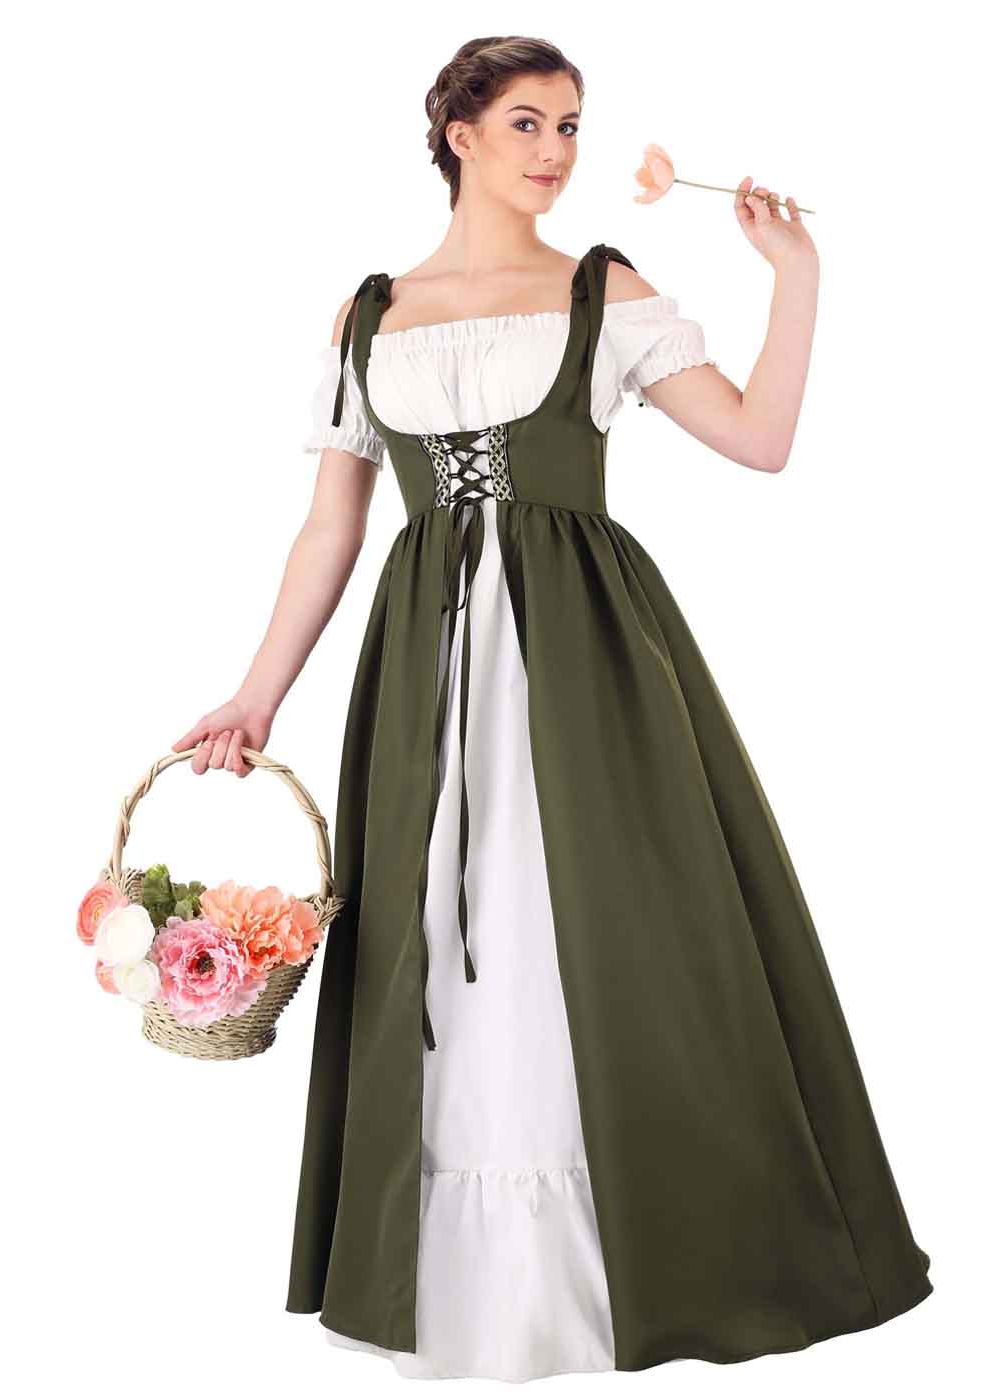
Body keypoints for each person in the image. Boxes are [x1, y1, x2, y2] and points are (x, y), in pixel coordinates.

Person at [172, 35, 932, 1386]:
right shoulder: (368, 313)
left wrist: (796, 279)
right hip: (425, 670)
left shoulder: (603, 289)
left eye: (572, 125)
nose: (557, 151)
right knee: (438, 935)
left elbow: (760, 440)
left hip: (591, 661)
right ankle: (462, 1293)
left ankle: (642, 1265)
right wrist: (257, 691)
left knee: (592, 922)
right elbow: (330, 526)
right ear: (458, 136)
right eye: (527, 123)